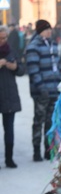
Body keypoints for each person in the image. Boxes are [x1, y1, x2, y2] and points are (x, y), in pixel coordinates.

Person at [25, 19, 61, 161]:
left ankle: (48, 150)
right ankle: (36, 150)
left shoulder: (53, 44)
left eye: (50, 29)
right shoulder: (33, 47)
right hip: (42, 92)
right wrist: (41, 87)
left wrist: (60, 81)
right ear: (40, 31)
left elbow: (59, 65)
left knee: (51, 121)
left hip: (54, 89)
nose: (49, 31)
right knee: (39, 120)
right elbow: (33, 70)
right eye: (47, 29)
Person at [0, 26, 24, 168]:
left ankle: (9, 158)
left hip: (9, 95)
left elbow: (21, 70)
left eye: (5, 38)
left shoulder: (11, 50)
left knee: (9, 129)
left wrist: (15, 67)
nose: (3, 40)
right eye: (0, 38)